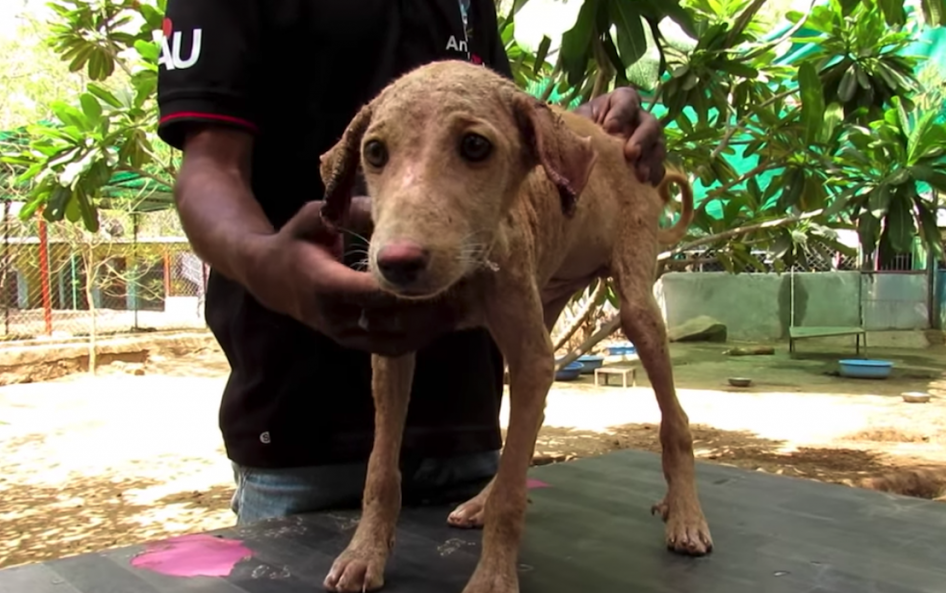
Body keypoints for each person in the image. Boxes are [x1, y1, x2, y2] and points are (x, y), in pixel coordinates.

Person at [157, 0, 669, 526]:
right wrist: (266, 265)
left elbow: (488, 128)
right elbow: (209, 164)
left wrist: (568, 135)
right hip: (301, 432)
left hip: (467, 433)